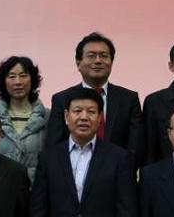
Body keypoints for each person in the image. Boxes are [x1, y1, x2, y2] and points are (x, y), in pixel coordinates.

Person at [44, 32, 143, 166]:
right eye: (91, 56)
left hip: (118, 173)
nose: (98, 61)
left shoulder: (129, 99)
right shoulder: (61, 99)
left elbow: (135, 147)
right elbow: (55, 146)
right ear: (78, 63)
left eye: (104, 56)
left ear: (111, 62)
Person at [0, 55, 49, 181]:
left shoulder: (47, 117)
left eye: (23, 76)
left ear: (32, 80)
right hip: (3, 186)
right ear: (3, 82)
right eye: (12, 76)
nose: (18, 82)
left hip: (37, 187)